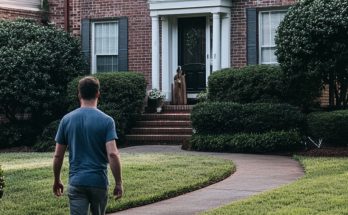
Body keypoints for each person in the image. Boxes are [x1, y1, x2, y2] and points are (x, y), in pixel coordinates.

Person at [52, 76, 123, 215]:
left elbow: (58, 155)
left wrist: (57, 179)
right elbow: (113, 154)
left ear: (79, 94)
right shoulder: (107, 121)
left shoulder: (66, 120)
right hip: (98, 182)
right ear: (98, 94)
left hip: (76, 182)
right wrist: (119, 183)